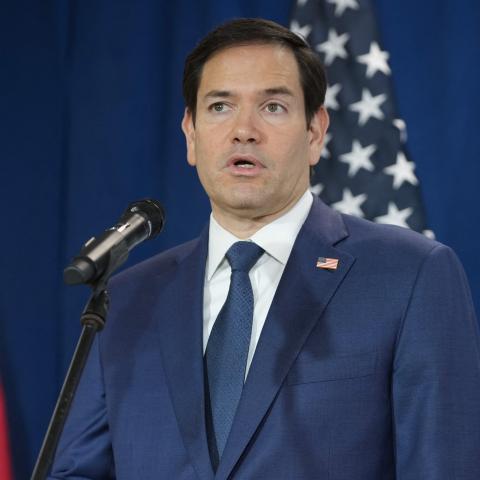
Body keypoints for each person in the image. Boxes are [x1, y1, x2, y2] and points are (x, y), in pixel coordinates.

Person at [48, 18, 480, 479]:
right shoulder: (129, 299)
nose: (243, 131)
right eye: (219, 107)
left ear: (315, 132)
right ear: (191, 134)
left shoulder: (410, 275)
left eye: (272, 107)